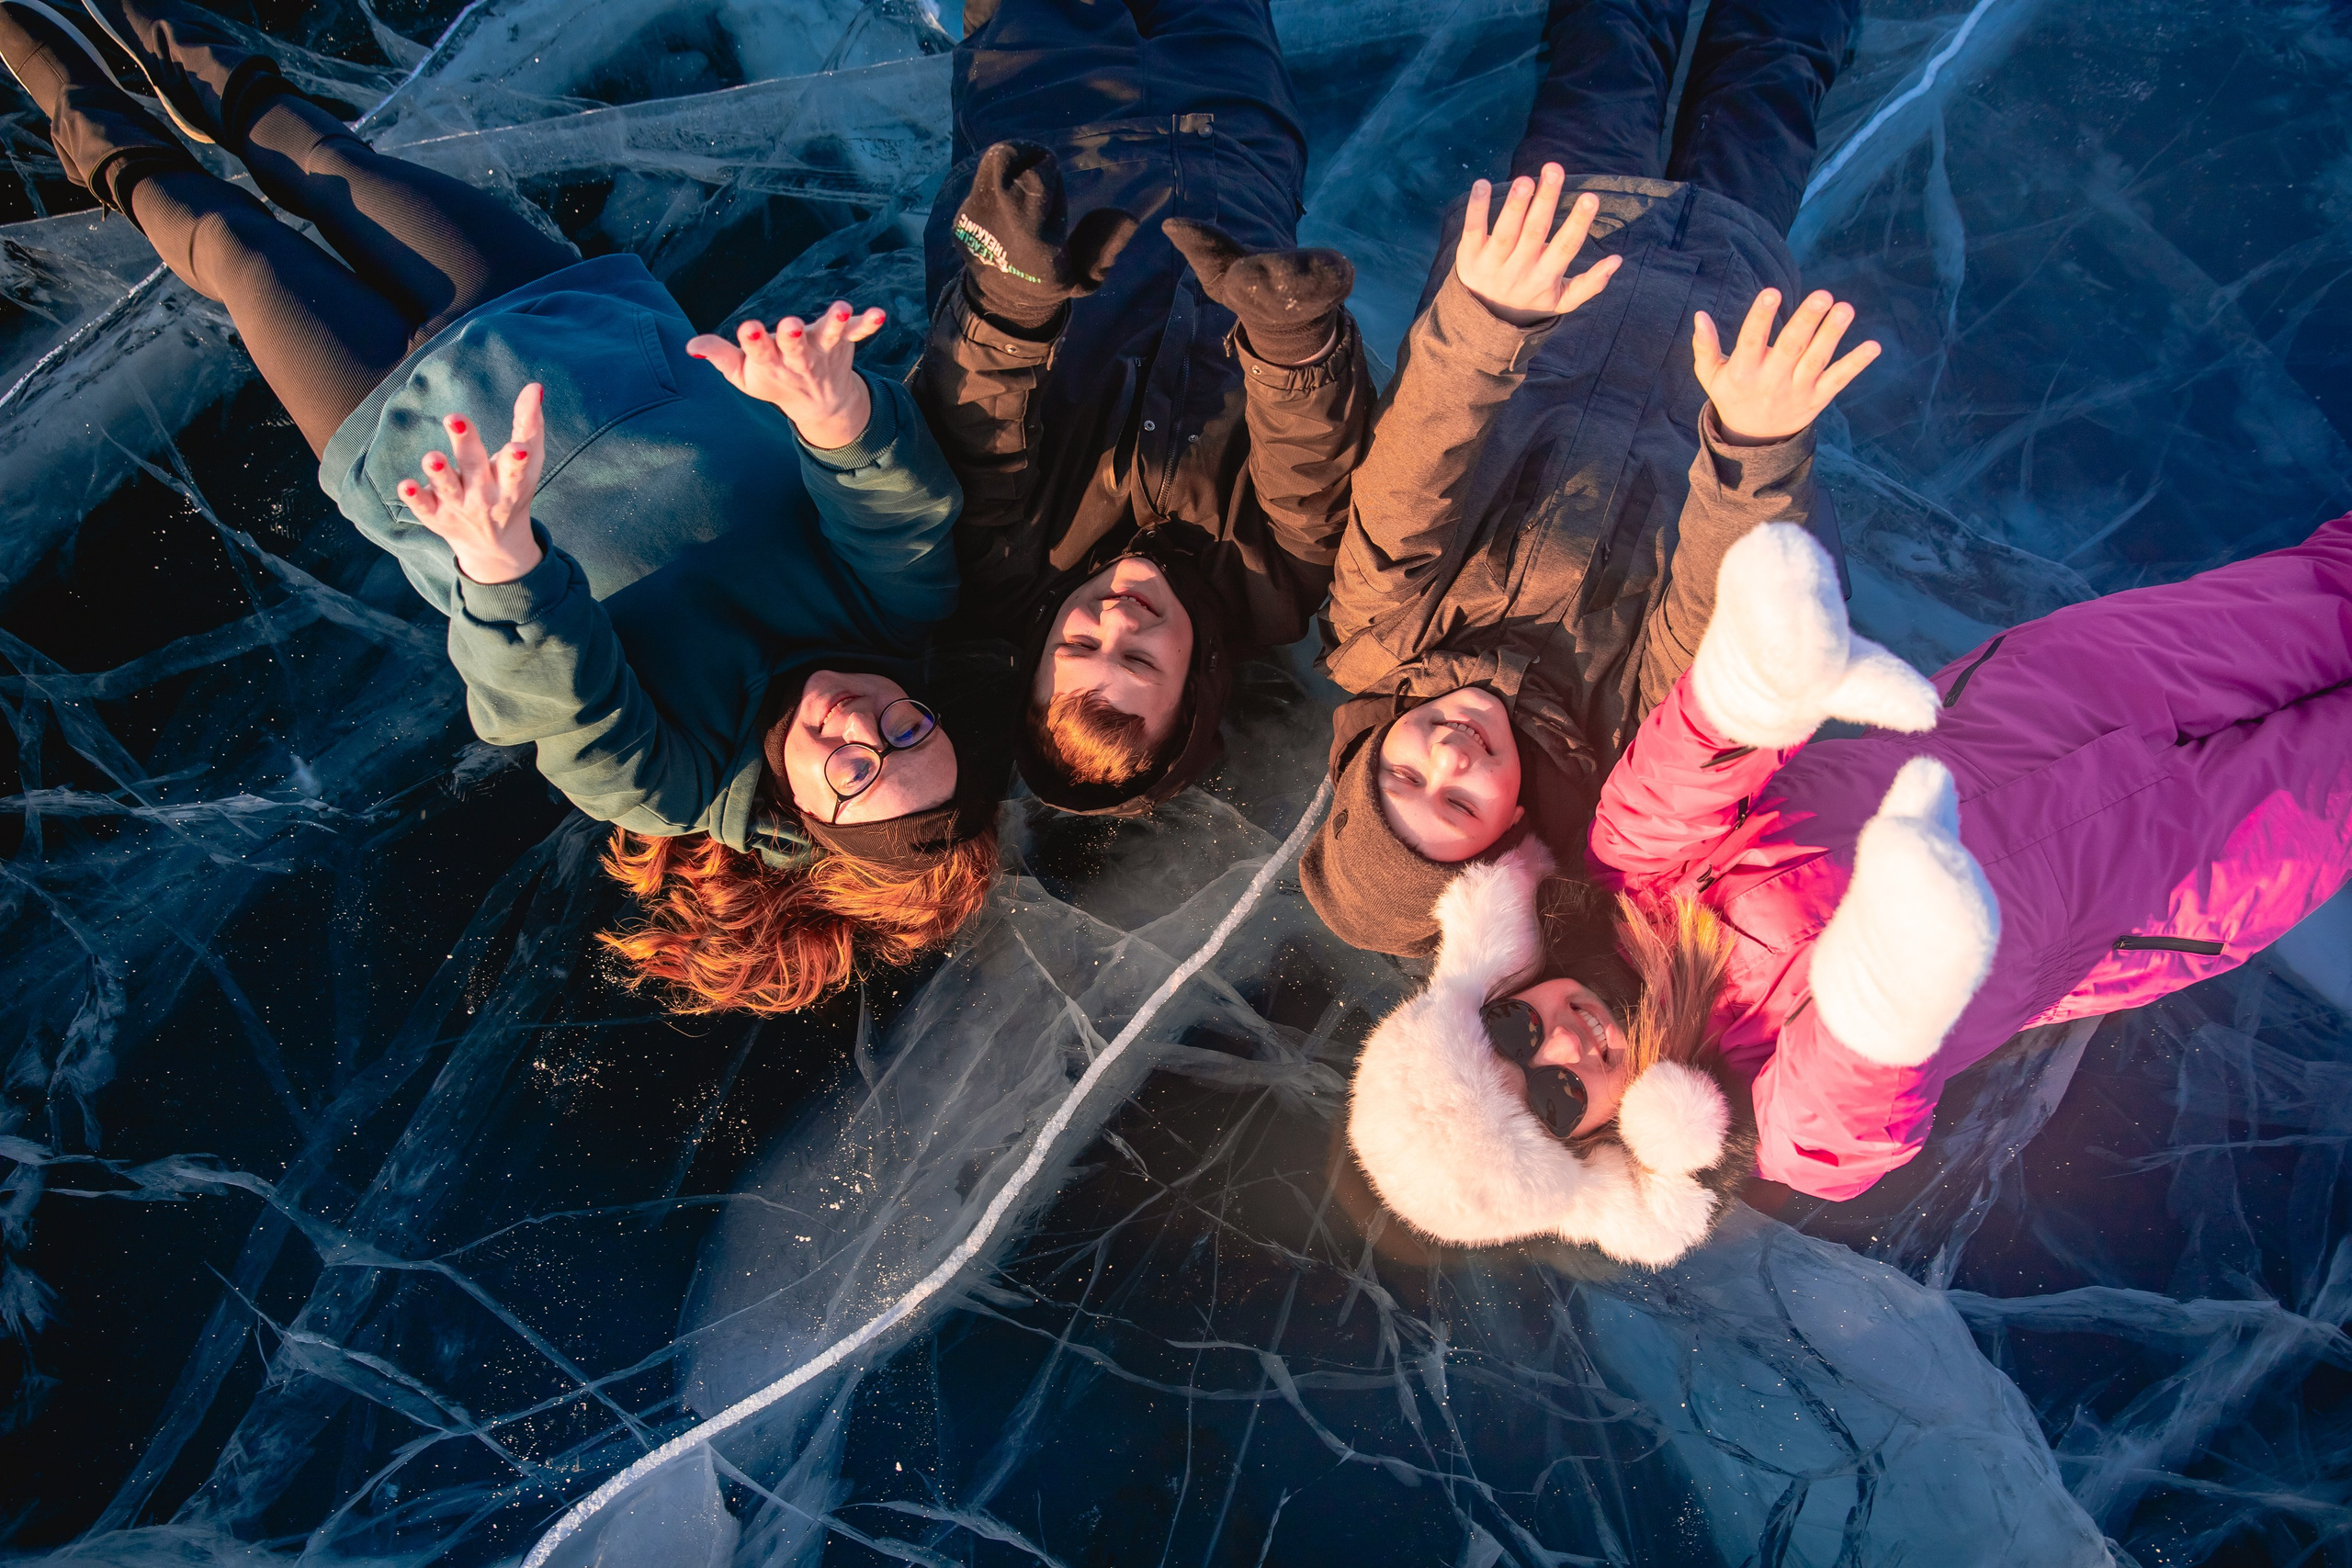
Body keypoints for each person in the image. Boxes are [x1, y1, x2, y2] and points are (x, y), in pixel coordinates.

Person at [5, 0, 1004, 1013]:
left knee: (227, 239)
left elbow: (557, 700)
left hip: (396, 423)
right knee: (301, 141)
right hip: (554, 314)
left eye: (855, 773)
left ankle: (21, 38)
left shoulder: (671, 781)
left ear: (805, 817)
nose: (864, 729)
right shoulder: (894, 618)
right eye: (910, 734)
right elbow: (895, 506)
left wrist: (502, 561)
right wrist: (834, 412)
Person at [1346, 513, 2352, 1267]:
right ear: (1599, 1144)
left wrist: (1761, 678)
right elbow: (1852, 1106)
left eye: (1515, 1038)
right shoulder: (1766, 1127)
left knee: (2328, 591)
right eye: (1561, 1095)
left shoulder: (1627, 880)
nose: (1565, 1044)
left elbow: (1685, 768)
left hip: (2062, 696)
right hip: (2174, 887)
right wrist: (1885, 990)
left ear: (1493, 995)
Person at [1299, 0, 1872, 958]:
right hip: (1721, 297)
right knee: (1770, 82)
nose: (1443, 757)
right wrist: (1749, 440)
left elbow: (1418, 469)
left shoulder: (1377, 638)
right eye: (1457, 804)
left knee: (1606, 51)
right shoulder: (1625, 737)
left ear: (1362, 760)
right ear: (1509, 836)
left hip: (1558, 255)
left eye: (1400, 779)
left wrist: (1488, 314)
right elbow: (1715, 602)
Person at [910, 0, 1376, 816]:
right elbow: (1310, 464)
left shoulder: (1005, 568)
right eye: (1141, 661)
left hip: (1049, 128)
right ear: (1196, 681)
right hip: (1231, 135)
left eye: (1081, 645)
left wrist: (1010, 298)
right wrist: (1289, 339)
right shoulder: (1271, 583)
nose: (1115, 619)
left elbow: (980, 426)